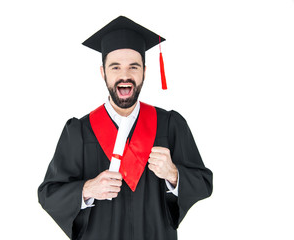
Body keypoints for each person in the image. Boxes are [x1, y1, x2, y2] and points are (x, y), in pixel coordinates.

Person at [38, 16, 213, 240]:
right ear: (103, 73)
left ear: (144, 72)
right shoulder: (79, 132)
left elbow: (204, 183)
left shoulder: (170, 125)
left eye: (133, 66)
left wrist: (174, 174)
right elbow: (48, 195)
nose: (125, 76)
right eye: (115, 67)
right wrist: (88, 189)